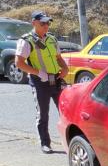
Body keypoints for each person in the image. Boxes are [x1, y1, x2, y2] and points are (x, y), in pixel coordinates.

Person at [15, 11, 69, 153]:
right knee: (43, 114)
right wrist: (38, 73)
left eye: (48, 23)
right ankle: (45, 143)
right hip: (40, 81)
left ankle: (70, 142)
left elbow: (58, 57)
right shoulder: (27, 40)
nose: (46, 25)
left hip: (56, 79)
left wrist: (65, 68)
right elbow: (19, 63)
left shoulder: (51, 38)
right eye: (43, 23)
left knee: (66, 112)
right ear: (34, 23)